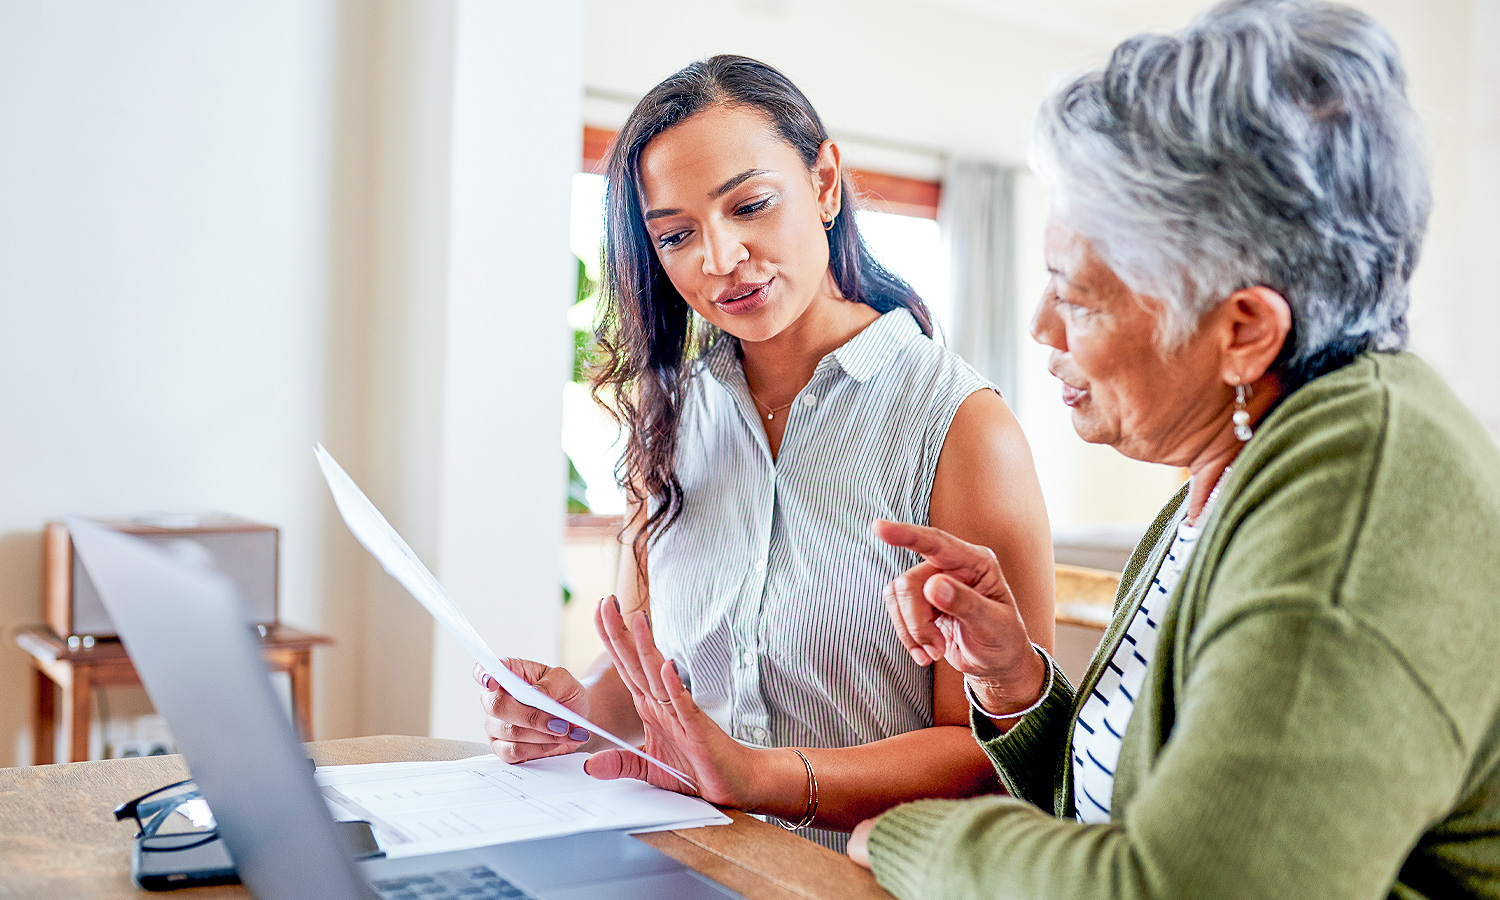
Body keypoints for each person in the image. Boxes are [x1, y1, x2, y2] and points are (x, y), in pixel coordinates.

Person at [838, 1, 1500, 896]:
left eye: (1075, 296)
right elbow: (1128, 812)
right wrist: (1014, 682)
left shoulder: (1360, 494)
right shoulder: (1235, 467)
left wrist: (910, 841)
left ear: (1242, 330)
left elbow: (1189, 885)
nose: (1041, 328)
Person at [475, 55, 1055, 850]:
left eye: (749, 205)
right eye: (676, 235)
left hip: (855, 877)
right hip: (684, 860)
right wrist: (568, 713)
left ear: (824, 184)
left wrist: (761, 775)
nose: (719, 260)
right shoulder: (670, 414)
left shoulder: (961, 427)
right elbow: (653, 673)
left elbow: (995, 752)